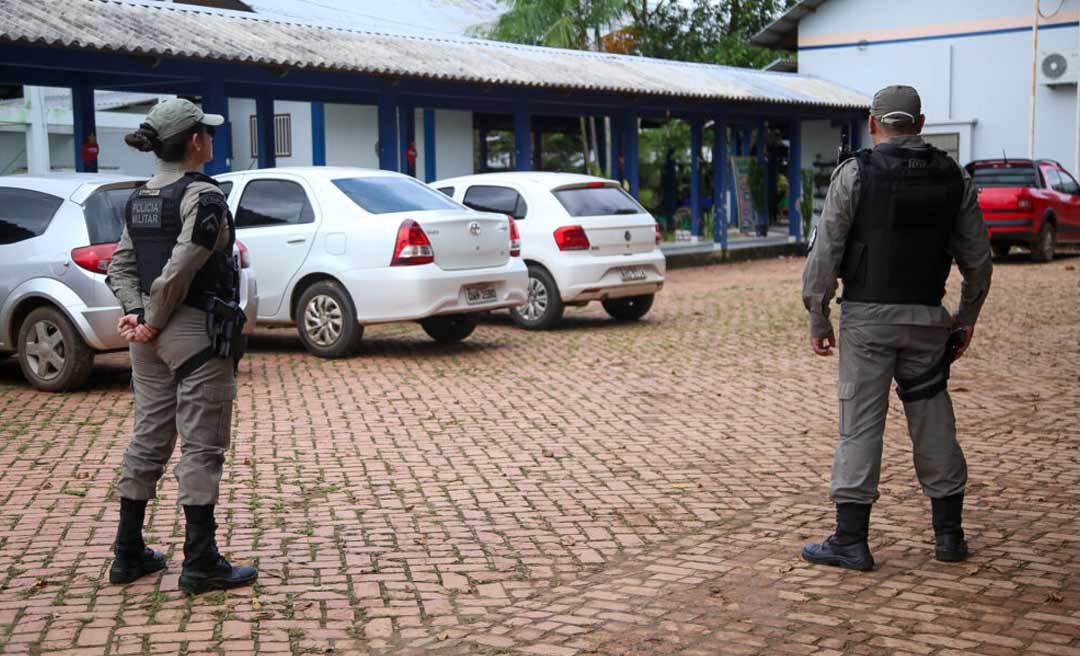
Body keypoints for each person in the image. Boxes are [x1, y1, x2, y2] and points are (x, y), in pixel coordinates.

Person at [800, 85, 993, 571]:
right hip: (929, 320)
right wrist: (965, 319)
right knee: (934, 422)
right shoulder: (954, 178)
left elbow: (825, 252)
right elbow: (979, 261)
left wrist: (818, 314)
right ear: (921, 123)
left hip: (867, 321)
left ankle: (851, 541)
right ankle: (949, 536)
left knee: (860, 425)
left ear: (872, 123)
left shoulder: (855, 174)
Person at [105, 98, 256, 594]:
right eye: (207, 133)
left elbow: (121, 266)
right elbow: (183, 265)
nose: (211, 139)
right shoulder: (204, 197)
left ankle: (128, 554)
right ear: (195, 141)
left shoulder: (140, 197)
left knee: (148, 438)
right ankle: (200, 562)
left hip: (145, 340)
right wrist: (150, 316)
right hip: (192, 334)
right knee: (202, 446)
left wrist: (135, 312)